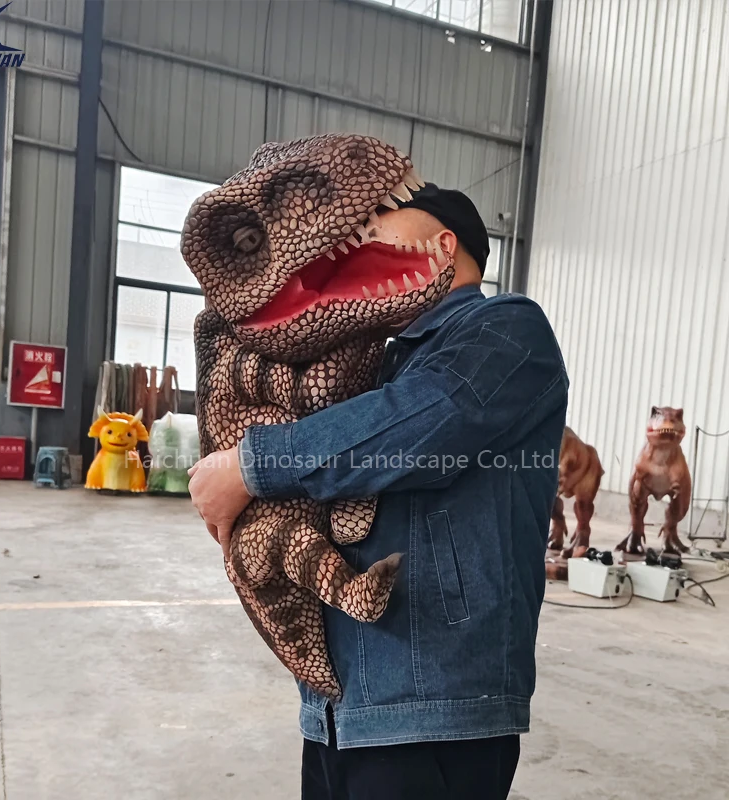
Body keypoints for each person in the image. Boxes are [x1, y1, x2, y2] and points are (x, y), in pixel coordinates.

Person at [189, 184, 568, 800]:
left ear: (442, 247)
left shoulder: (507, 329)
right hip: (340, 711)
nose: (362, 234)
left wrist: (250, 466)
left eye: (382, 223)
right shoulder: (377, 358)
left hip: (436, 707)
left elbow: (422, 421)